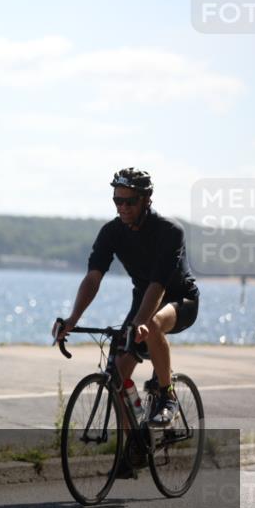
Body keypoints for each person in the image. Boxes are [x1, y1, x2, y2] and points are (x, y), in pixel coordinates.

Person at [56, 168, 199, 445]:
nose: (123, 207)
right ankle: (134, 444)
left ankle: (167, 394)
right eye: (117, 201)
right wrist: (73, 318)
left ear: (147, 199)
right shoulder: (112, 232)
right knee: (119, 374)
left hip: (179, 300)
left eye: (129, 201)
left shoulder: (169, 231)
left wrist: (142, 323)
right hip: (143, 300)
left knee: (154, 324)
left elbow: (158, 285)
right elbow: (93, 277)